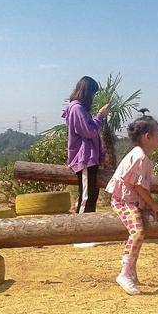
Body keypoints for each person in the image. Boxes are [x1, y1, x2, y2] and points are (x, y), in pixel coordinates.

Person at [106, 110, 158, 295]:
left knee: (139, 231)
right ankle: (124, 273)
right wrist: (153, 204)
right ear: (147, 137)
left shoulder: (141, 155)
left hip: (130, 200)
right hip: (123, 201)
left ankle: (130, 270)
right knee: (137, 232)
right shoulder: (139, 156)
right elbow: (138, 186)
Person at [62, 76, 109, 213]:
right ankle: (82, 225)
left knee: (91, 196)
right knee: (87, 197)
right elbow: (89, 131)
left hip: (89, 159)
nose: (94, 97)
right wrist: (100, 115)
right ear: (88, 92)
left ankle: (88, 224)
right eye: (93, 93)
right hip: (85, 159)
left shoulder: (80, 108)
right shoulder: (77, 108)